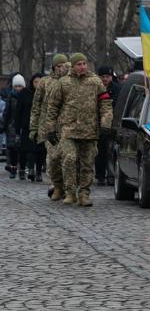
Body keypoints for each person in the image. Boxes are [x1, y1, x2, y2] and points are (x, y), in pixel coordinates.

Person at [44, 53, 113, 207]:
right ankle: (70, 192)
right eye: (79, 64)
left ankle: (84, 194)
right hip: (68, 130)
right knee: (69, 159)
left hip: (89, 131)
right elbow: (53, 107)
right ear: (73, 66)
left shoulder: (95, 82)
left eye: (84, 63)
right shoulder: (63, 83)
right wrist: (50, 128)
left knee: (87, 164)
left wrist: (106, 124)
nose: (82, 67)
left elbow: (105, 104)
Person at [29, 55, 70, 199]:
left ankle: (67, 186)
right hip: (49, 127)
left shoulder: (71, 81)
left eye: (63, 66)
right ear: (53, 67)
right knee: (53, 157)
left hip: (68, 126)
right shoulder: (45, 82)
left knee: (67, 157)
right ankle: (55, 184)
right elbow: (36, 106)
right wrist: (33, 127)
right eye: (58, 66)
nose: (60, 69)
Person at [95, 66, 121, 186]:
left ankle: (111, 175)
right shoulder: (95, 88)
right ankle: (100, 175)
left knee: (110, 151)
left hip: (113, 125)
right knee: (99, 151)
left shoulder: (117, 89)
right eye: (103, 77)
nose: (105, 79)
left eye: (107, 77)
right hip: (97, 124)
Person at [3, 74, 25, 179]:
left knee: (21, 148)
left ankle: (21, 169)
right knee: (12, 148)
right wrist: (3, 125)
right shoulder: (10, 97)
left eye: (20, 86)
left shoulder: (26, 96)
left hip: (23, 125)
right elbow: (6, 112)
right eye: (16, 86)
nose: (18, 88)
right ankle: (13, 169)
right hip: (11, 125)